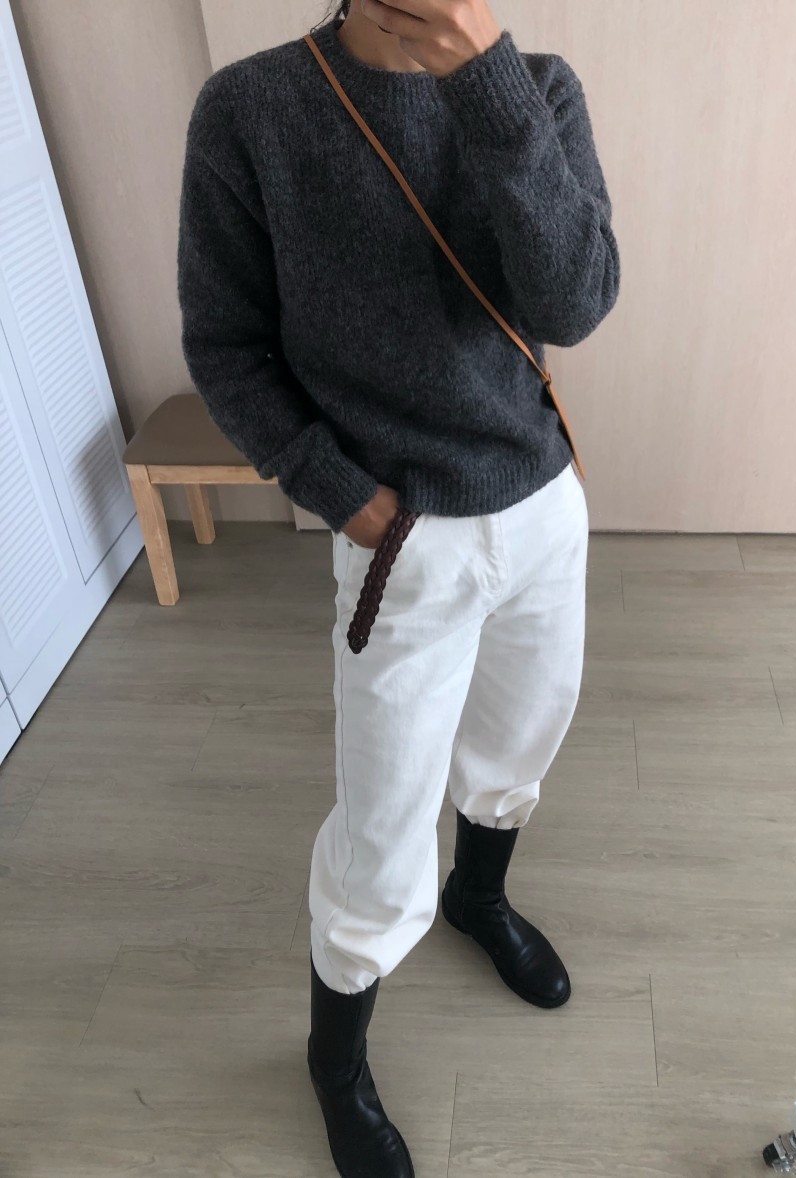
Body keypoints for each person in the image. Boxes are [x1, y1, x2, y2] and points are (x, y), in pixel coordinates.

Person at [177, 0, 620, 1173]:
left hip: (538, 502)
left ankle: (478, 899)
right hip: (399, 534)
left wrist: (485, 86)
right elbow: (225, 344)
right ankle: (334, 1059)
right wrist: (346, 496)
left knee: (519, 742)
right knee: (379, 830)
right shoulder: (251, 110)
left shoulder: (538, 88)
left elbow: (574, 301)